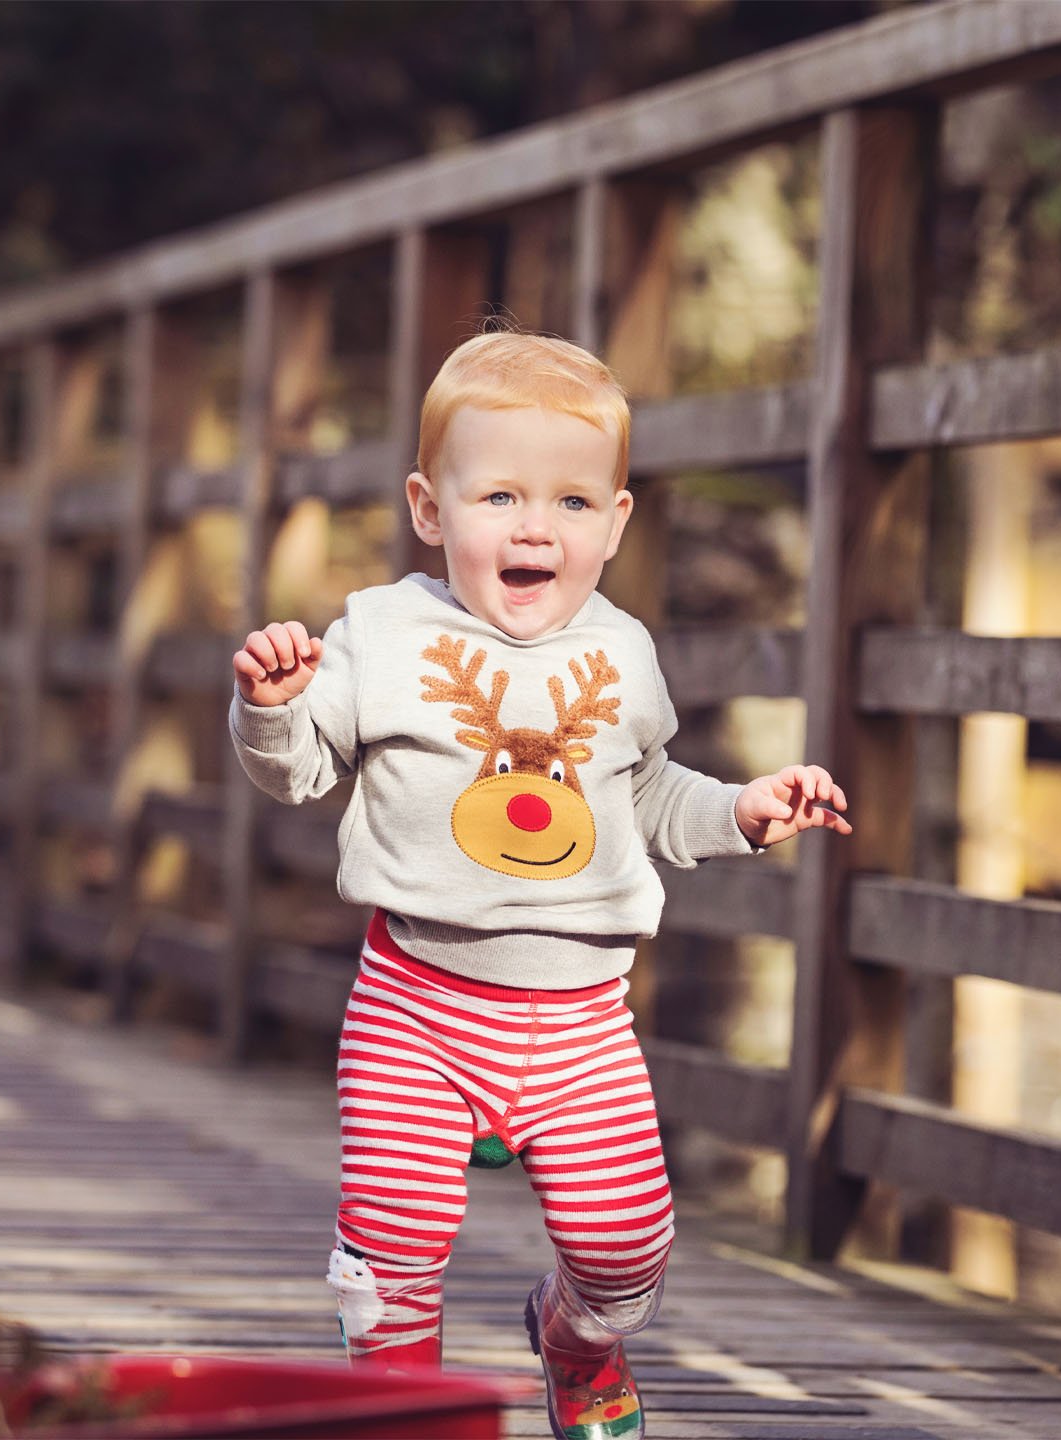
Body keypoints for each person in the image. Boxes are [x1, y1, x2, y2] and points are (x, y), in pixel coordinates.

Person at [229, 330, 850, 1440]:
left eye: (571, 503)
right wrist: (275, 707)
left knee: (626, 1254)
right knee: (394, 1237)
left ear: (614, 524)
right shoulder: (384, 633)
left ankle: (573, 1339)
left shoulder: (621, 655)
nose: (533, 527)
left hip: (580, 1025)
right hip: (416, 1005)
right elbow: (301, 770)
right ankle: (399, 1406)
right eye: (500, 495)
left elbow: (651, 797)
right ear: (430, 507)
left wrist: (744, 812)